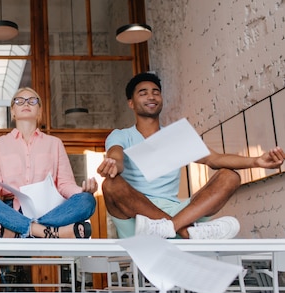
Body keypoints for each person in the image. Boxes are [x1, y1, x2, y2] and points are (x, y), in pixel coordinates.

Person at [97, 72, 285, 239]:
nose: (151, 96)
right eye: (143, 92)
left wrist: (257, 161)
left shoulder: (176, 137)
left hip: (178, 212)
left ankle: (171, 227)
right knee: (111, 184)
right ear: (131, 103)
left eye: (156, 91)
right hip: (137, 219)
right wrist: (114, 164)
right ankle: (186, 231)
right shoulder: (120, 135)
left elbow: (214, 159)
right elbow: (116, 156)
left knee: (230, 176)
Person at [0, 87, 97, 239]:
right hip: (12, 210)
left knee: (87, 201)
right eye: (19, 101)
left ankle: (17, 231)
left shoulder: (55, 143)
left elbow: (64, 184)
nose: (26, 104)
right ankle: (48, 231)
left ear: (39, 111)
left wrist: (83, 191)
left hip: (50, 210)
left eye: (32, 101)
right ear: (13, 111)